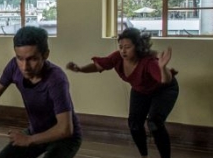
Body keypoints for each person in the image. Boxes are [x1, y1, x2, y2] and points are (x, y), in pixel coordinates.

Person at [67, 28, 178, 158]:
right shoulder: (118, 57)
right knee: (134, 124)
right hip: (141, 89)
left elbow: (165, 80)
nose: (123, 50)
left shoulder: (148, 61)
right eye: (120, 47)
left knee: (154, 122)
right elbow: (99, 66)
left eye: (127, 47)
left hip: (164, 89)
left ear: (137, 47)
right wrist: (80, 69)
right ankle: (144, 156)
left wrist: (162, 67)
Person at [0, 26, 81, 158]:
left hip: (64, 138)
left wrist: (28, 140)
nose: (24, 66)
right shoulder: (13, 66)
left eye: (32, 59)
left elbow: (65, 129)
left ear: (45, 55)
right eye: (20, 58)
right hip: (35, 131)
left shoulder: (56, 79)